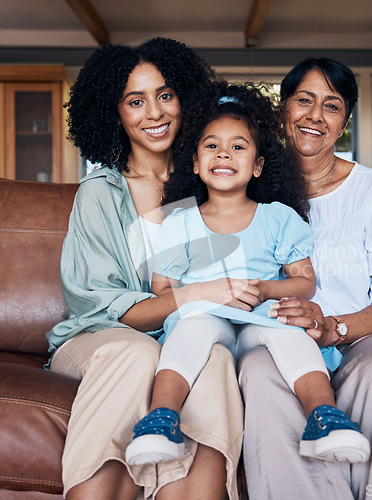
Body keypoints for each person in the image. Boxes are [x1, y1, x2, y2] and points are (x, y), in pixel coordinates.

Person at [238, 58, 372, 500]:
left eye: (331, 105)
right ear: (283, 110)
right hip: (291, 343)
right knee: (259, 370)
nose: (315, 116)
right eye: (304, 100)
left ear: (343, 123)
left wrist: (334, 328)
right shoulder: (254, 194)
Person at [124, 83, 371, 469]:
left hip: (262, 317)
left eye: (238, 146)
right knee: (192, 326)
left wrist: (264, 290)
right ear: (194, 162)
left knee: (292, 328)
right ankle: (161, 419)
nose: (224, 153)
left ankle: (325, 418)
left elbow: (305, 281)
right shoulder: (179, 222)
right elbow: (160, 290)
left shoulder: (277, 218)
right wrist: (206, 294)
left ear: (257, 165)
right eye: (212, 146)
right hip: (206, 316)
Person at [46, 38, 248, 500]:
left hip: (187, 336)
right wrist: (201, 293)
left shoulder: (212, 182)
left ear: (185, 98)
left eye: (165, 95)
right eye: (135, 101)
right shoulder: (100, 193)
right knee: (137, 354)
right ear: (113, 112)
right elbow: (103, 305)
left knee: (213, 359)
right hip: (100, 338)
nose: (154, 113)